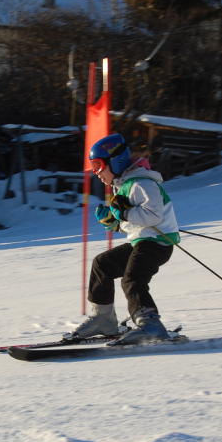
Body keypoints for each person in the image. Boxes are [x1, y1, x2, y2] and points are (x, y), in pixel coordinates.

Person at [71, 133, 181, 344]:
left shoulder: (142, 183)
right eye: (93, 166)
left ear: (115, 161)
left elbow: (153, 216)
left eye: (98, 165)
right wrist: (115, 223)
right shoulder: (124, 185)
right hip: (142, 241)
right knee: (102, 264)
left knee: (132, 279)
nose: (96, 172)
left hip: (157, 243)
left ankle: (150, 325)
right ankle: (103, 319)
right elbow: (136, 222)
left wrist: (123, 213)